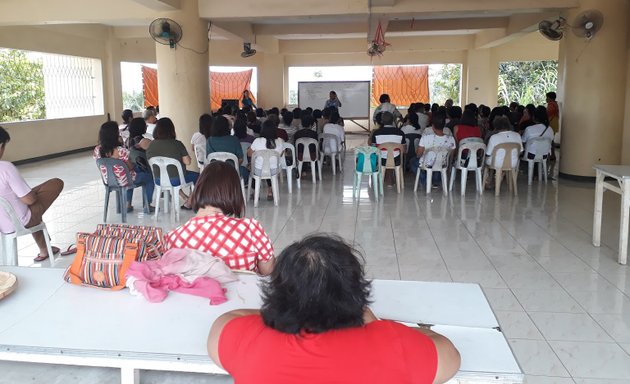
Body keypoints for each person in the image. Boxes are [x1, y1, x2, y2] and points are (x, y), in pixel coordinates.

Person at [208, 234, 460, 384]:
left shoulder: (249, 338)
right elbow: (449, 354)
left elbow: (227, 319)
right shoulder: (392, 342)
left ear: (278, 294)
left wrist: (285, 314)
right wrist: (375, 323)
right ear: (355, 292)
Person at [166, 161, 275, 275]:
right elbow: (268, 273)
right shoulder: (251, 229)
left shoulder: (172, 239)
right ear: (234, 193)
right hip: (241, 292)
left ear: (199, 190)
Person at [0, 126, 64, 262]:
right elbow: (29, 200)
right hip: (19, 222)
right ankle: (45, 249)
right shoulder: (5, 168)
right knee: (55, 184)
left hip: (2, 223)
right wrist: (28, 195)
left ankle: (44, 250)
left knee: (31, 200)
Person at [94, 121, 155, 214]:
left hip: (108, 181)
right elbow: (130, 167)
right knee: (148, 177)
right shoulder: (120, 151)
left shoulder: (97, 150)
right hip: (124, 180)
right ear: (115, 135)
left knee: (130, 174)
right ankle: (147, 205)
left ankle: (127, 204)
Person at [146, 117, 199, 210]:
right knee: (198, 176)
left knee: (171, 176)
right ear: (172, 130)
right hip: (176, 179)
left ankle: (185, 197)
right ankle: (189, 202)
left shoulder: (151, 145)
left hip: (158, 180)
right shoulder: (177, 144)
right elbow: (188, 162)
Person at [410, 112, 456, 184]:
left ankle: (425, 180)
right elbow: (451, 155)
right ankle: (435, 181)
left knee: (413, 161)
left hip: (427, 163)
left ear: (433, 126)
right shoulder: (451, 139)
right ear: (444, 125)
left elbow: (418, 154)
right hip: (443, 164)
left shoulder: (425, 138)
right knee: (438, 162)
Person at [248, 120, 285, 201]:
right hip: (274, 171)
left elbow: (250, 154)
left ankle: (254, 192)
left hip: (258, 171)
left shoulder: (257, 141)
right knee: (270, 166)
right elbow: (281, 155)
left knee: (256, 166)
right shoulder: (279, 141)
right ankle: (270, 191)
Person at [206, 115, 248, 181]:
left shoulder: (209, 140)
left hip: (215, 173)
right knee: (245, 171)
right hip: (232, 172)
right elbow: (240, 159)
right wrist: (235, 167)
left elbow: (208, 158)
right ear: (227, 126)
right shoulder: (234, 139)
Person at [485, 116, 523, 187]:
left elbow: (488, 153)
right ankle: (501, 175)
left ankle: (488, 181)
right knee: (503, 161)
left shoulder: (494, 137)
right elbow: (520, 152)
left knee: (486, 161)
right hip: (513, 163)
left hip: (496, 163)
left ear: (496, 126)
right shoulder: (517, 135)